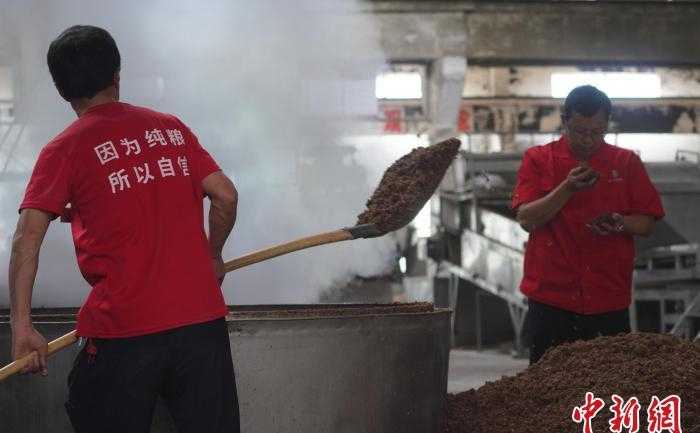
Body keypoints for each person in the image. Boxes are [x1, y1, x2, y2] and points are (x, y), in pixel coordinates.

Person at [8, 25, 240, 432]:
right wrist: (213, 256)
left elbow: (26, 239)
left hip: (124, 332)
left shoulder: (64, 149)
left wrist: (22, 326)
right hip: (201, 329)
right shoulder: (169, 129)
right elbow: (225, 195)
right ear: (117, 74)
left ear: (62, 90)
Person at [512, 85, 664, 364]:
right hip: (551, 298)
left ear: (607, 124)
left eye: (597, 132)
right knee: (547, 389)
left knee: (608, 389)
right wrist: (567, 188)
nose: (589, 140)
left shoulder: (625, 162)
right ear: (564, 120)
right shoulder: (538, 159)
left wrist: (620, 223)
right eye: (580, 131)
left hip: (608, 297)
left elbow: (646, 224)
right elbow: (526, 218)